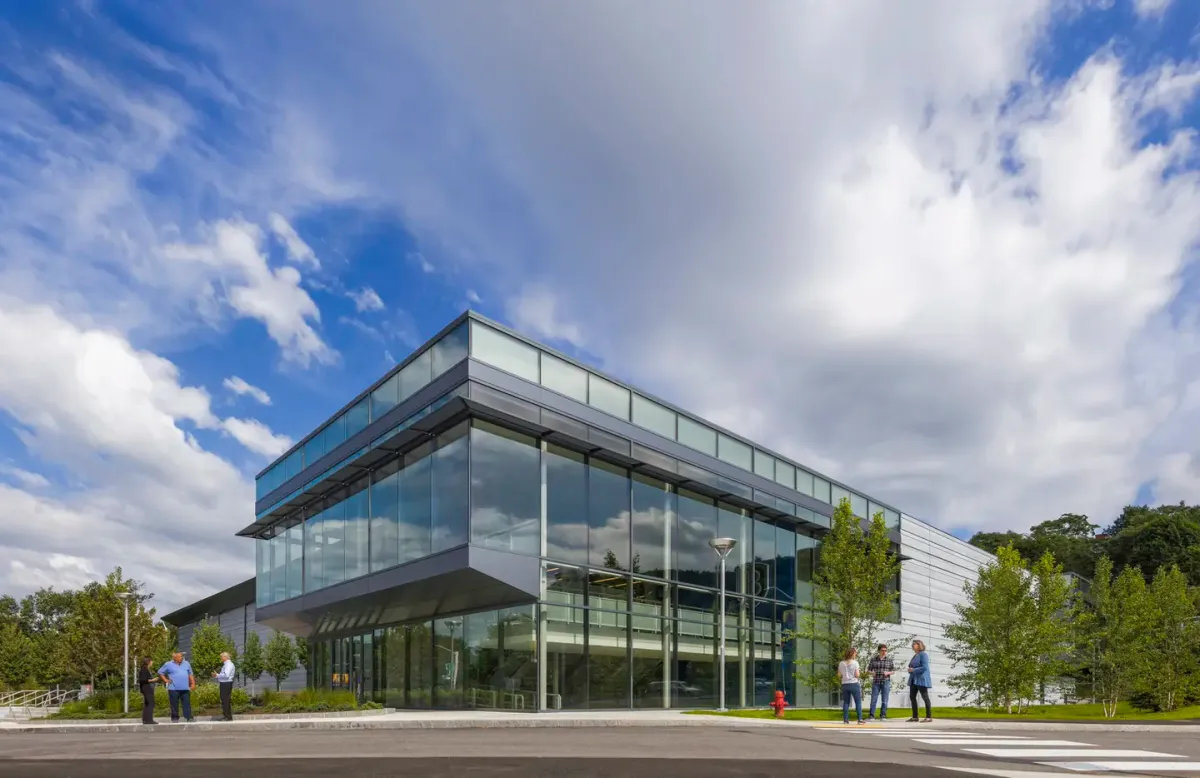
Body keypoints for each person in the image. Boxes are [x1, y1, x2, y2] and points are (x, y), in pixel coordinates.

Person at [158, 652, 196, 723]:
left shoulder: (186, 663)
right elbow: (160, 672)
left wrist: (193, 683)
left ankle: (189, 717)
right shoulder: (168, 664)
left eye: (182, 656)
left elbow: (190, 674)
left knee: (187, 704)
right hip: (173, 688)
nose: (182, 658)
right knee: (174, 704)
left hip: (185, 688)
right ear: (174, 658)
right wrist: (165, 680)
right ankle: (175, 718)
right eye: (180, 657)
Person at [907, 639, 933, 722]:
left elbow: (925, 667)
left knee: (925, 697)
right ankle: (915, 717)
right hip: (913, 679)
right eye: (912, 644)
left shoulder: (923, 654)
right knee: (912, 697)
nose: (912, 645)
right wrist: (910, 670)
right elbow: (911, 666)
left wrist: (913, 670)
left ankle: (928, 717)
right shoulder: (915, 655)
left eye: (914, 644)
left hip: (921, 679)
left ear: (919, 645)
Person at [866, 643, 894, 720]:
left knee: (885, 700)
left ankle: (883, 715)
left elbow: (893, 671)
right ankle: (871, 715)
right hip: (876, 682)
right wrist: (872, 673)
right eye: (882, 650)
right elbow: (868, 670)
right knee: (873, 699)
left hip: (886, 681)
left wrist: (887, 673)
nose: (884, 652)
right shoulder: (873, 659)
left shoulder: (889, 660)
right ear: (879, 651)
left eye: (885, 650)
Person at [837, 647, 863, 725]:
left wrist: (845, 675)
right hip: (854, 683)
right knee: (858, 702)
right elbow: (857, 675)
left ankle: (845, 720)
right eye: (855, 653)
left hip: (844, 684)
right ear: (852, 654)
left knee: (846, 702)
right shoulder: (855, 663)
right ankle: (860, 719)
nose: (856, 654)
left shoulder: (841, 663)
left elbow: (838, 675)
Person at [212, 651, 236, 721]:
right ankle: (226, 716)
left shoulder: (228, 664)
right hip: (225, 683)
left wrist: (217, 675)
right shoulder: (226, 664)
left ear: (225, 657)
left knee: (225, 700)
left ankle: (228, 717)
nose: (221, 658)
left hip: (226, 684)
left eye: (221, 657)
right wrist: (217, 676)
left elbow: (226, 675)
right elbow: (224, 675)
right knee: (224, 700)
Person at [137, 657, 161, 725]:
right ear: (148, 662)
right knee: (150, 704)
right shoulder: (143, 670)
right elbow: (142, 680)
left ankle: (145, 720)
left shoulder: (145, 669)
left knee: (147, 704)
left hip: (147, 688)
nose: (152, 663)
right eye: (151, 661)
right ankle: (149, 720)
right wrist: (153, 680)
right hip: (147, 689)